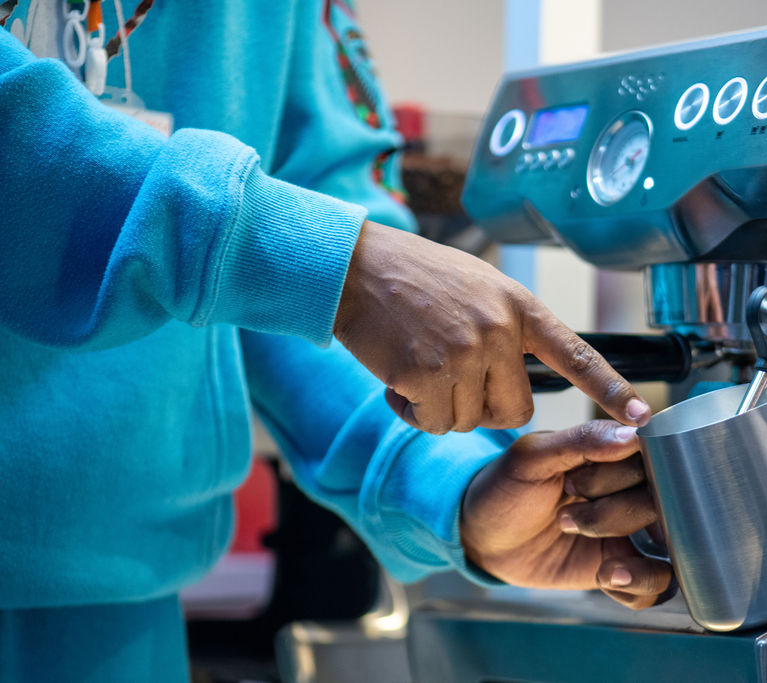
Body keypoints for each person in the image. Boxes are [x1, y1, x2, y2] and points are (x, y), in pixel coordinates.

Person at [0, 1, 673, 680]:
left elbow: (305, 257)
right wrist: (339, 265)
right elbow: (313, 259)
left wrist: (456, 487)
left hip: (120, 609)